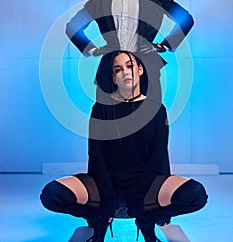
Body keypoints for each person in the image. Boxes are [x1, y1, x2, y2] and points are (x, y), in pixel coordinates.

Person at [40, 51, 208, 242]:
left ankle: (147, 221)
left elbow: (158, 154)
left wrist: (138, 194)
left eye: (129, 66)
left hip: (146, 186)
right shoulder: (100, 108)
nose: (125, 72)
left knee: (196, 194)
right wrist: (108, 198)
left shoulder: (156, 109)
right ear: (113, 77)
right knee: (51, 195)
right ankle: (96, 219)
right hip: (104, 184)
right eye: (118, 69)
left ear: (140, 70)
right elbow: (96, 154)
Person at [65, 0, 194, 104]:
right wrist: (92, 49)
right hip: (110, 71)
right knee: (107, 125)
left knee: (150, 124)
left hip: (146, 69)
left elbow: (186, 19)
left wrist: (164, 45)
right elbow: (72, 27)